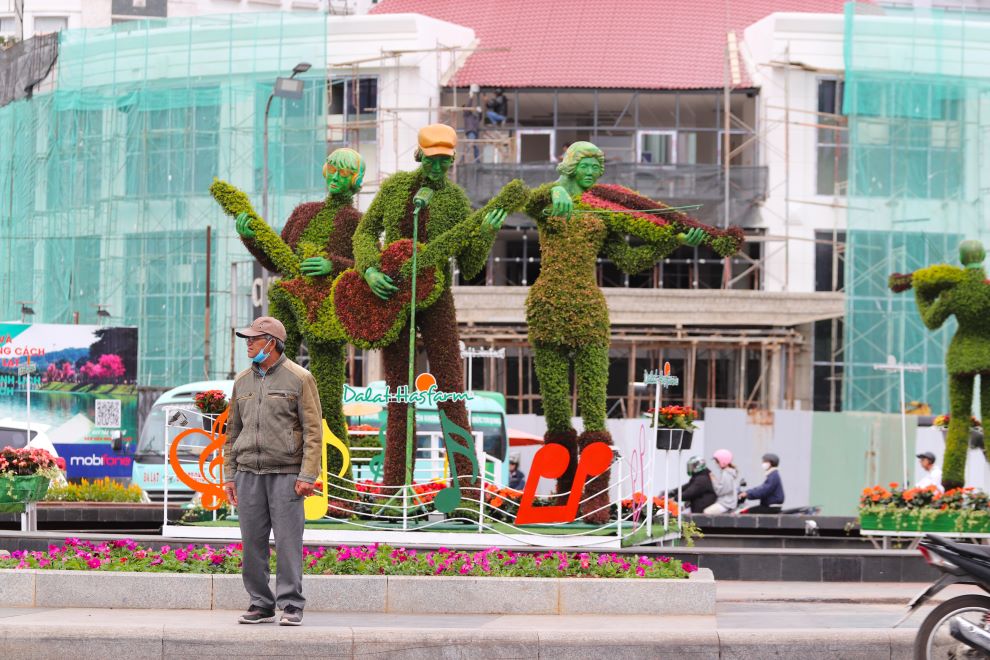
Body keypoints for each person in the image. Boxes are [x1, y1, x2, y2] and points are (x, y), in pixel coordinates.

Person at [233, 148, 366, 488]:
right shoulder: (304, 213)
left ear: (355, 182)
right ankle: (279, 472)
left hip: (325, 312)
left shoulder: (356, 222)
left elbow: (366, 268)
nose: (336, 179)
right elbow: (275, 258)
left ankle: (337, 484)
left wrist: (332, 264)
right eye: (333, 172)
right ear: (326, 173)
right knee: (272, 380)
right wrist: (249, 235)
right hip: (287, 301)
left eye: (345, 175)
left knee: (327, 398)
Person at [222, 316, 323, 627]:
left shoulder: (299, 378)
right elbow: (231, 432)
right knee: (251, 542)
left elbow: (313, 431)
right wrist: (229, 475)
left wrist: (307, 475)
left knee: (288, 542)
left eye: (254, 339)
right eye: (247, 339)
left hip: (287, 475)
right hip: (248, 473)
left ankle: (291, 604)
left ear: (273, 343)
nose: (248, 344)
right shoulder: (241, 381)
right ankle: (260, 603)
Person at [704, 449, 740, 514]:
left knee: (706, 513)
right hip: (726, 502)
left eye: (717, 462)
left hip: (726, 503)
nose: (716, 464)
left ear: (723, 461)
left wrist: (713, 479)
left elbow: (720, 491)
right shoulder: (728, 472)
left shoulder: (726, 474)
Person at [462, 84, 482, 162]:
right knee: (471, 145)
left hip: (474, 132)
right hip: (471, 132)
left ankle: (476, 161)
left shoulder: (473, 116)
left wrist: (480, 112)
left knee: (474, 147)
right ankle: (463, 159)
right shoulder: (466, 114)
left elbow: (479, 118)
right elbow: (468, 107)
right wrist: (471, 97)